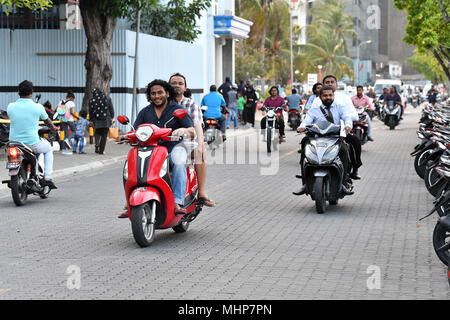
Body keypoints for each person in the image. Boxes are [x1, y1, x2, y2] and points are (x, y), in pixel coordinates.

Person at [117, 80, 195, 217]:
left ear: (167, 93)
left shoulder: (177, 110)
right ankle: (129, 200)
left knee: (179, 160)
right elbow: (136, 130)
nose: (156, 96)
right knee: (130, 165)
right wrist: (125, 136)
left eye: (160, 92)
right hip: (150, 151)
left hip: (173, 149)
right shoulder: (145, 112)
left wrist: (183, 130)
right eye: (153, 93)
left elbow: (192, 130)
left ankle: (177, 201)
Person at [294, 86, 354, 196]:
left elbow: (347, 117)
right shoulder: (314, 110)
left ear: (333, 96)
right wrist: (302, 127)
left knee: (345, 151)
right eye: (325, 95)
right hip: (316, 138)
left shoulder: (339, 107)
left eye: (330, 95)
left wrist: (348, 125)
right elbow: (307, 120)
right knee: (304, 148)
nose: (328, 97)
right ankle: (305, 183)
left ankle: (344, 183)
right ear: (320, 97)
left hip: (335, 138)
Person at [169, 72, 215, 207]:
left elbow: (197, 125)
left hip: (185, 143)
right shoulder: (162, 102)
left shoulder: (190, 104)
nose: (176, 86)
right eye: (173, 83)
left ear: (185, 87)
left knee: (200, 153)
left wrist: (200, 144)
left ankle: (201, 193)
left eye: (180, 83)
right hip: (163, 142)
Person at [7, 80, 58, 189]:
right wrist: (54, 128)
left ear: (18, 92)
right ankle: (47, 177)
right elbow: (47, 121)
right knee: (48, 148)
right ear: (32, 92)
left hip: (13, 143)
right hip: (32, 143)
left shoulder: (10, 106)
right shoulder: (38, 107)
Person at [309, 75, 362, 179]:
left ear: (336, 85)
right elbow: (310, 116)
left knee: (355, 141)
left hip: (339, 131)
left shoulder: (344, 98)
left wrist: (346, 121)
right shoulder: (316, 100)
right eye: (327, 82)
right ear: (323, 85)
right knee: (305, 143)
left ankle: (354, 169)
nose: (329, 84)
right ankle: (306, 180)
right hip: (320, 132)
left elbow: (354, 115)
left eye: (332, 82)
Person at [88, 88, 115, 155]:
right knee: (104, 135)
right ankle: (101, 151)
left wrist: (91, 120)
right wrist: (112, 117)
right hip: (106, 119)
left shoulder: (91, 100)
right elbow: (111, 109)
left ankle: (97, 147)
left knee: (97, 132)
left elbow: (90, 112)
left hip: (96, 119)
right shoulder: (107, 98)